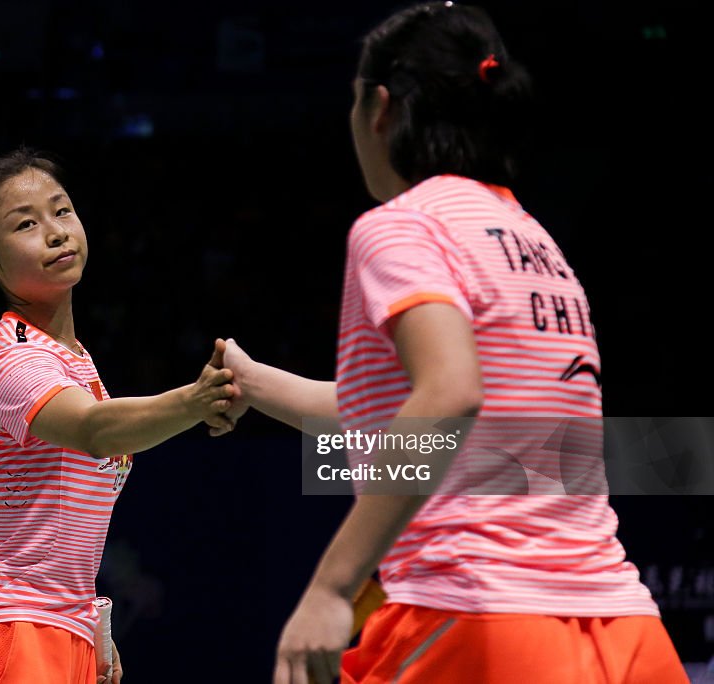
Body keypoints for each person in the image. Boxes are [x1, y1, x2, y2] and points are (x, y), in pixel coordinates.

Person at [219, 3, 691, 682]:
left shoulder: (400, 226)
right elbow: (414, 413)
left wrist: (330, 587)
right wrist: (254, 381)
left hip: (478, 622)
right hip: (625, 635)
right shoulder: (531, 238)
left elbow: (448, 396)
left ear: (380, 109)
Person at [0, 147, 237, 684]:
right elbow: (93, 430)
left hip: (61, 631)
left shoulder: (75, 360)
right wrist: (195, 401)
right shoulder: (12, 359)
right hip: (8, 634)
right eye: (25, 224)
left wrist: (88, 629)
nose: (56, 231)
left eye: (62, 211)